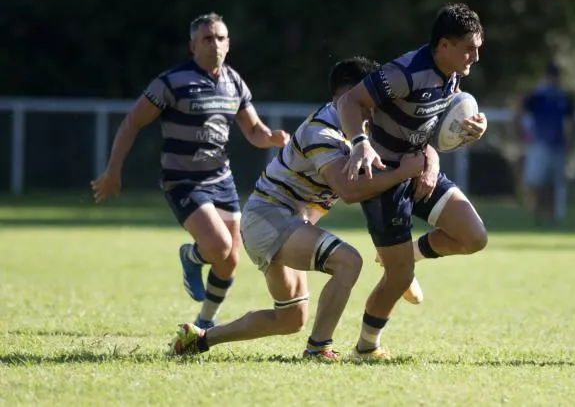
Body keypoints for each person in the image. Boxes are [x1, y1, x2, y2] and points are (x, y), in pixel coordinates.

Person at [168, 57, 429, 362]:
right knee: (348, 262)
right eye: (370, 98)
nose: (376, 105)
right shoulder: (324, 130)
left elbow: (414, 148)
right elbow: (349, 190)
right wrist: (402, 173)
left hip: (287, 222)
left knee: (290, 319)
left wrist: (428, 163)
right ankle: (318, 349)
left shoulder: (364, 131)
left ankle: (198, 340)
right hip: (270, 217)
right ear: (346, 99)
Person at [91, 13, 289, 329]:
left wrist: (273, 138)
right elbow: (132, 123)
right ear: (193, 45)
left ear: (229, 43)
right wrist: (113, 170)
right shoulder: (171, 82)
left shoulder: (234, 82)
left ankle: (205, 322)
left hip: (221, 179)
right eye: (207, 39)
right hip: (182, 179)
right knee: (219, 247)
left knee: (231, 259)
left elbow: (253, 130)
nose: (215, 44)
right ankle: (191, 256)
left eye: (220, 38)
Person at [337, 3, 489, 360]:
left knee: (474, 236)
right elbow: (350, 102)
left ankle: (409, 256)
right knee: (399, 278)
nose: (475, 56)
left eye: (478, 47)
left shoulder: (452, 73)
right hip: (385, 177)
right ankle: (366, 347)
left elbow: (432, 121)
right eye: (469, 47)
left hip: (420, 169)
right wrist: (360, 145)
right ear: (443, 45)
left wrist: (473, 130)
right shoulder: (405, 72)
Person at [514, 62, 575, 225]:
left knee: (553, 184)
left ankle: (550, 216)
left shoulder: (561, 97)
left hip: (557, 145)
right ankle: (537, 215)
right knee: (537, 182)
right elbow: (519, 112)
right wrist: (521, 135)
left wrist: (569, 142)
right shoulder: (538, 96)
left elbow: (571, 122)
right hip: (539, 145)